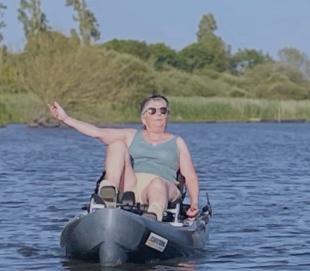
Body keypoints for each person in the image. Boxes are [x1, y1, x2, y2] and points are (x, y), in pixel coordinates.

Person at [48, 95, 199, 221]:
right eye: (152, 111)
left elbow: (190, 177)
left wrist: (194, 203)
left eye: (163, 110)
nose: (158, 114)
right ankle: (109, 190)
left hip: (164, 186)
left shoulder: (177, 142)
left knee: (157, 183)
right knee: (117, 144)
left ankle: (152, 217)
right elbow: (97, 132)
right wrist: (65, 118)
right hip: (132, 185)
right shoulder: (131, 135)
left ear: (167, 116)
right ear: (143, 119)